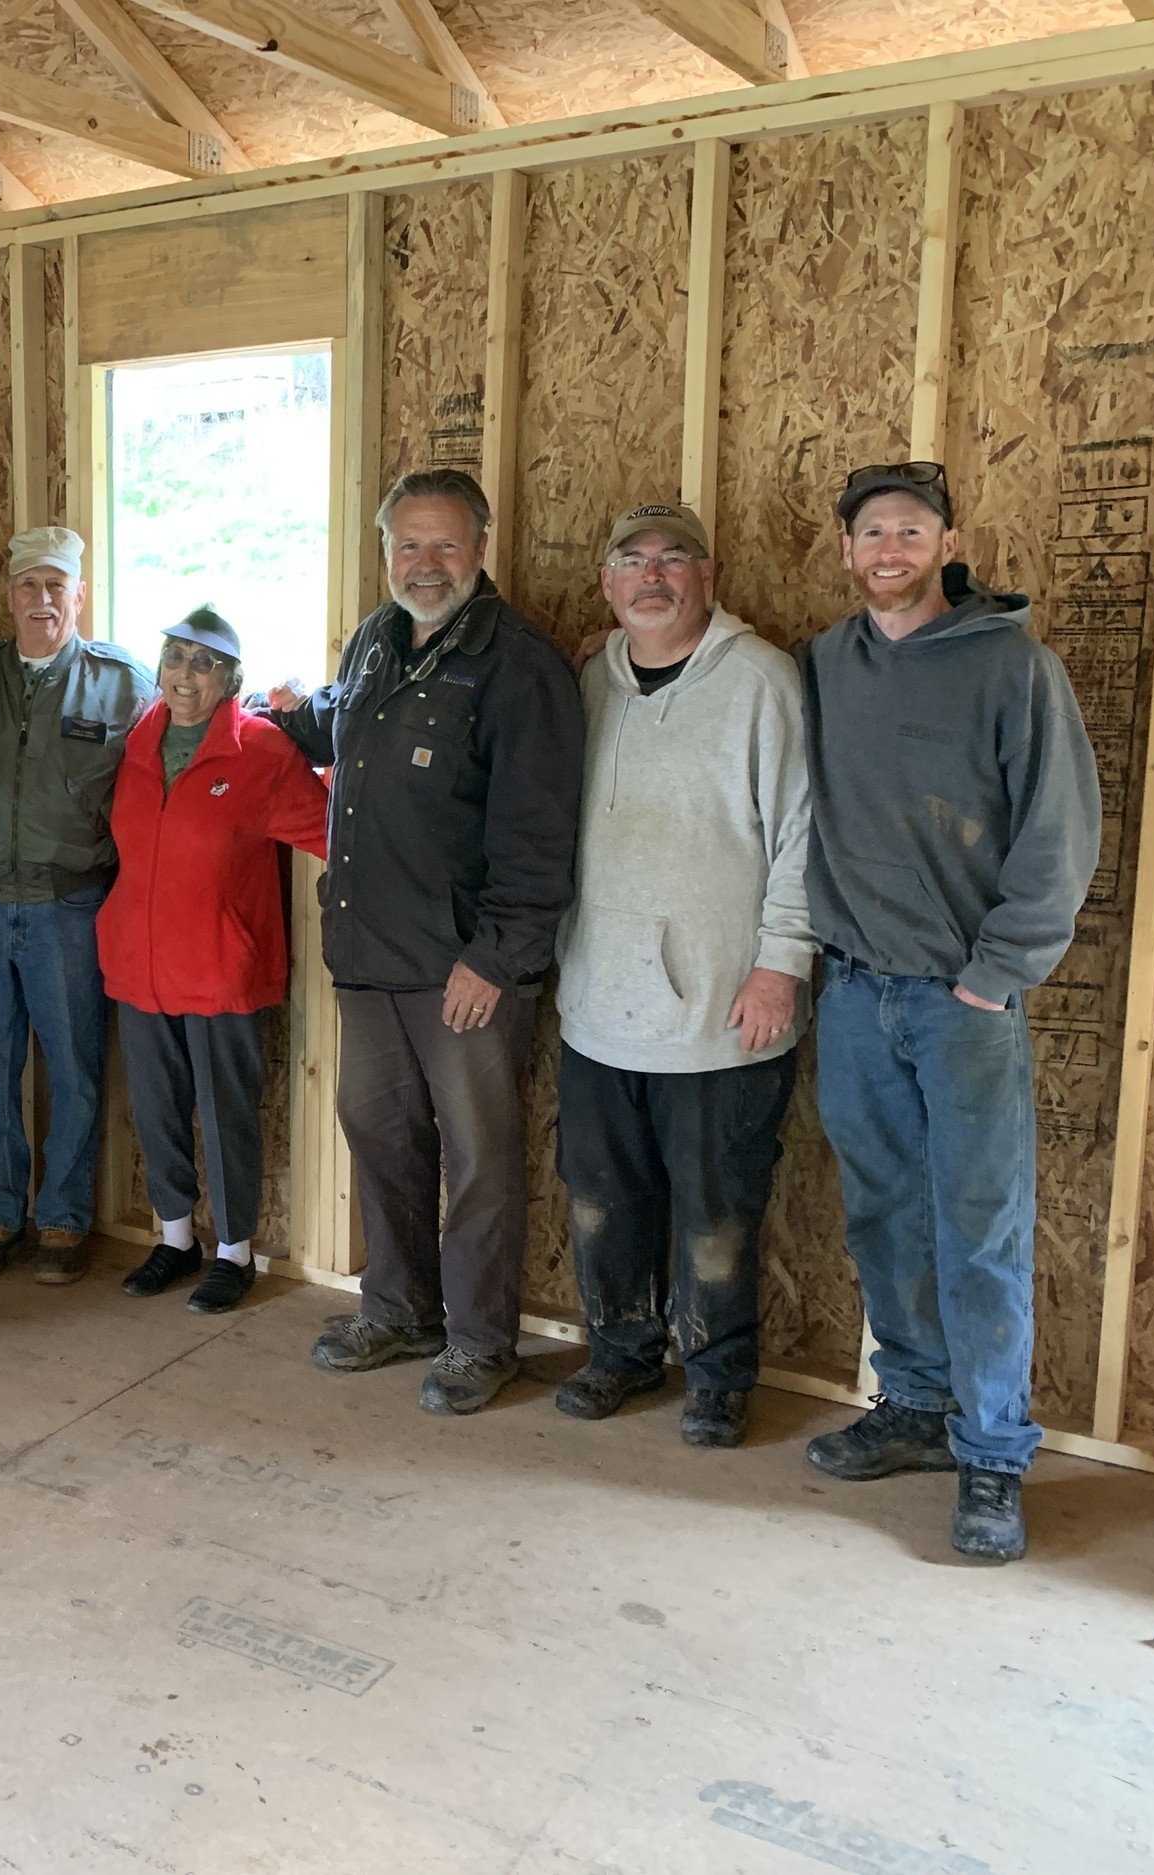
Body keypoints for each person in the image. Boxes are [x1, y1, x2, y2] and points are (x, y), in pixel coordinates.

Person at [800, 461, 1101, 1563]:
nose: (888, 549)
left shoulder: (1010, 667)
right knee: (884, 1213)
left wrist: (994, 972)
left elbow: (1058, 834)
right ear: (847, 551)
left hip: (960, 1001)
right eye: (871, 532)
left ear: (944, 541)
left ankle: (990, 1457)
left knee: (979, 1229)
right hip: (853, 990)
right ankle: (916, 1408)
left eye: (909, 530)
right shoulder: (827, 663)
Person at [268, 468, 583, 1415]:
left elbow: (541, 828)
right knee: (380, 1136)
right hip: (368, 958)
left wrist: (495, 957)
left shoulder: (518, 663)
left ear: (481, 549)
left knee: (479, 1156)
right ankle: (399, 1310)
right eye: (408, 545)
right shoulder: (376, 640)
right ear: (386, 552)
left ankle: (481, 1341)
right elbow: (342, 727)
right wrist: (279, 718)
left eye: (445, 545)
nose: (425, 563)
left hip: (462, 969)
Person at [551, 502, 813, 1450]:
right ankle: (620, 1352)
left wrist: (781, 965)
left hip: (720, 1007)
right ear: (608, 583)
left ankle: (717, 1374)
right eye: (632, 561)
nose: (651, 577)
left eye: (674, 559)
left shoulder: (760, 681)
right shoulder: (588, 681)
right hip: (599, 1002)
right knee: (600, 1196)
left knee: (716, 1210)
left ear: (709, 577)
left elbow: (800, 833)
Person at [0, 526, 153, 1285]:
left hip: (69, 906)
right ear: (10, 593)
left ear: (80, 595)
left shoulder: (123, 683)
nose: (42, 599)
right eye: (29, 584)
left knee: (75, 1067)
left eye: (57, 585)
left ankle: (61, 1220)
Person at [103, 607, 328, 1313]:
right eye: (174, 659)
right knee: (156, 1107)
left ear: (231, 677)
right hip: (139, 963)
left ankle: (235, 1251)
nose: (184, 676)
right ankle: (175, 1239)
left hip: (221, 967)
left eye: (203, 664)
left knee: (225, 1111)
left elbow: (333, 828)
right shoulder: (137, 739)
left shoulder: (261, 749)